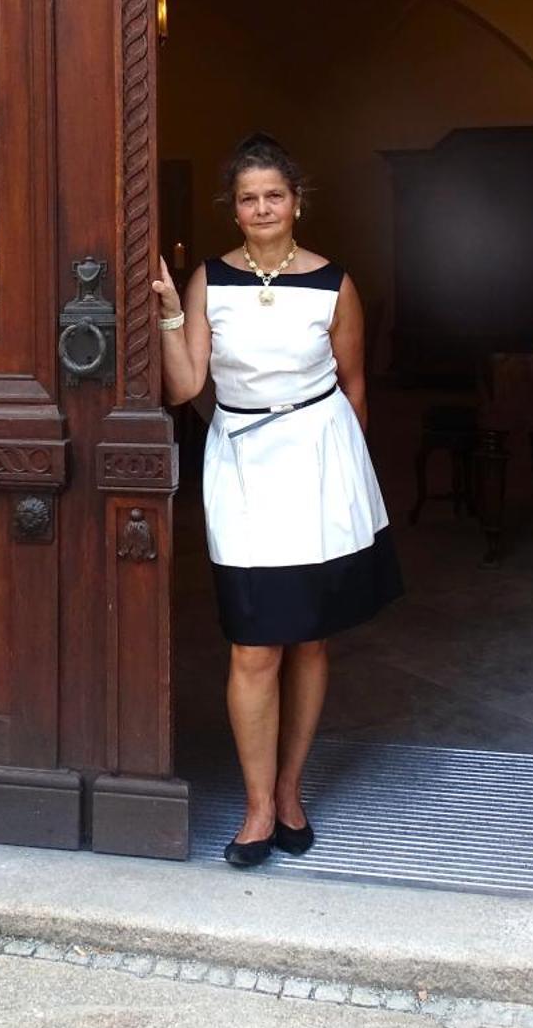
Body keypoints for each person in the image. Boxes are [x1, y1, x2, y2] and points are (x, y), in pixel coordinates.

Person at [152, 133, 403, 867]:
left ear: (296, 202)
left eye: (274, 195)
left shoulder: (333, 284)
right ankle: (257, 805)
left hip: (320, 465)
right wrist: (169, 312)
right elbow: (184, 387)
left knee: (311, 639)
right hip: (241, 464)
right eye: (247, 198)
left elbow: (353, 389)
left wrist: (352, 486)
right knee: (253, 641)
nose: (261, 207)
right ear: (233, 210)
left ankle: (290, 790)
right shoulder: (207, 280)